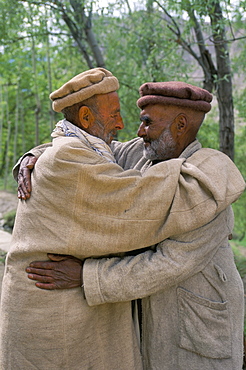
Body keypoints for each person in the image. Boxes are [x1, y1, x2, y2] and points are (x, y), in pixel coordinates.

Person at [2, 69, 243, 370]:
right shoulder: (142, 156)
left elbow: (167, 265)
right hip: (150, 326)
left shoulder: (207, 188)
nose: (136, 130)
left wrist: (86, 277)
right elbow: (85, 148)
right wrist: (34, 155)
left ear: (181, 125)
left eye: (147, 122)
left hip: (197, 329)